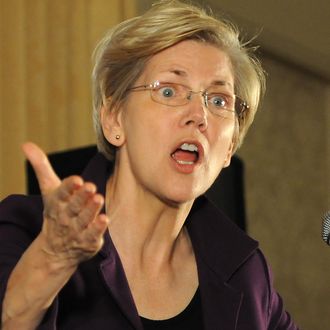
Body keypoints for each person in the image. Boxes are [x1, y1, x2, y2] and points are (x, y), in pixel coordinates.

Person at [0, 0, 299, 329]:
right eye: (169, 91)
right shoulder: (25, 230)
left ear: (230, 146)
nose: (198, 116)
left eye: (218, 100)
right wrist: (52, 260)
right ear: (115, 118)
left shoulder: (246, 273)